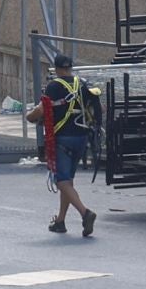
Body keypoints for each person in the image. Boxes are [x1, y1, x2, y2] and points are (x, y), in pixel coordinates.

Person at [25, 53, 102, 237]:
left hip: (63, 140)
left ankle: (85, 213)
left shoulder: (54, 86)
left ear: (57, 68)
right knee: (68, 180)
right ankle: (60, 221)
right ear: (70, 67)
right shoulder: (82, 84)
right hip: (82, 138)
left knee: (61, 181)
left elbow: (41, 109)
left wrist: (30, 117)